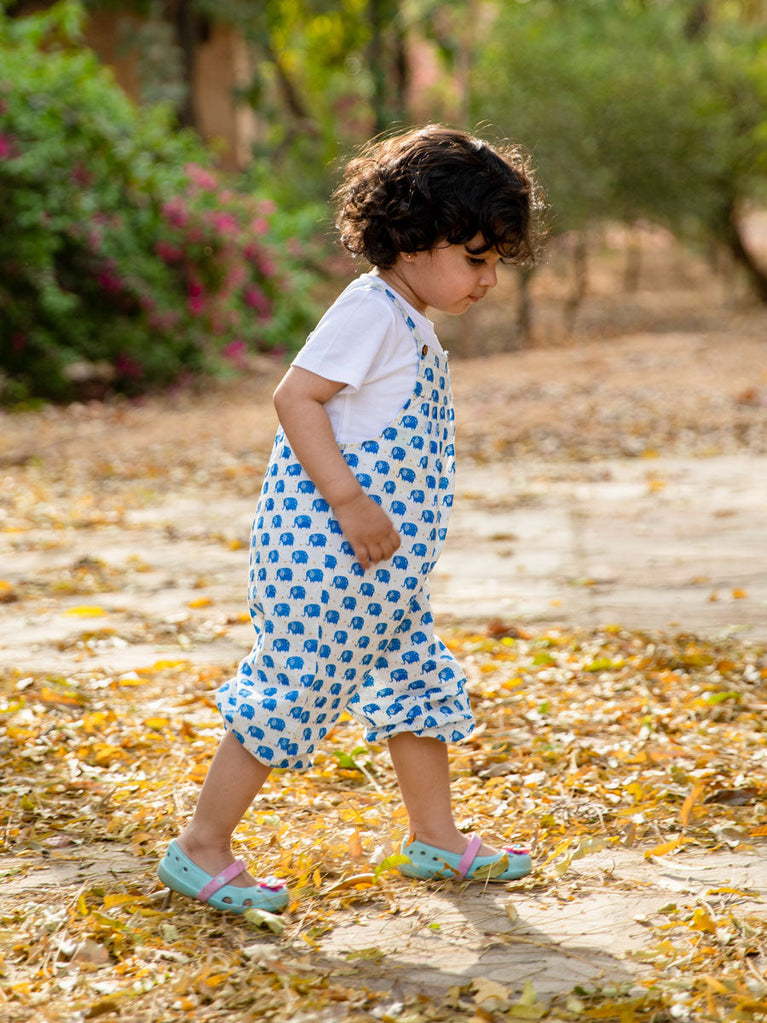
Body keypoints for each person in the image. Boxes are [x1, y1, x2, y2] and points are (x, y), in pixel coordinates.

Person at [158, 125, 545, 914]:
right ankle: (202, 843)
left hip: (382, 573)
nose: (487, 279)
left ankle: (435, 837)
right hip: (329, 558)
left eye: (495, 262)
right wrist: (347, 498)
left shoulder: (407, 319)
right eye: (475, 257)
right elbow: (295, 397)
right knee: (292, 687)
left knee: (417, 684)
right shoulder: (371, 311)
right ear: (413, 237)